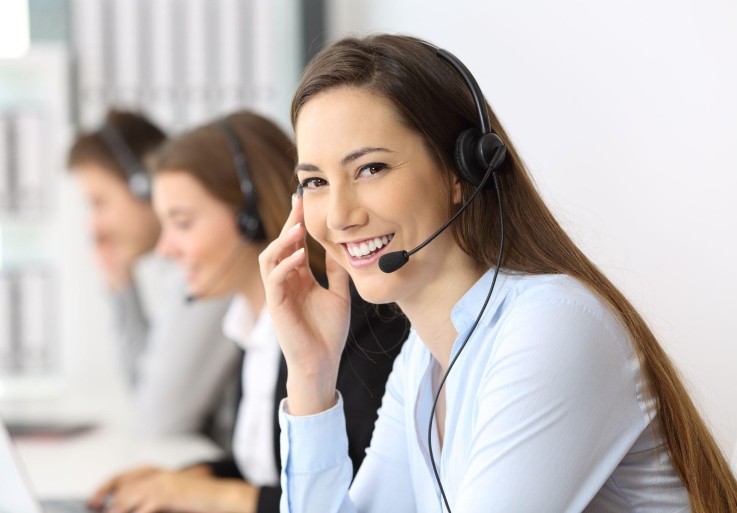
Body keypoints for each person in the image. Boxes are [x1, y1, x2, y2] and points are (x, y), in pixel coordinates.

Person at [258, 35, 737, 512]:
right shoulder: (422, 361)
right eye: (315, 182)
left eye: (370, 168)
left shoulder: (553, 326)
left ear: (461, 170)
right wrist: (311, 376)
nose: (339, 216)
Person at [88, 111, 409, 513]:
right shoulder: (252, 328)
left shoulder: (357, 326)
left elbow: (347, 497)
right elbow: (268, 469)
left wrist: (205, 496)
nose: (165, 249)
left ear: (250, 216)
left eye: (182, 223)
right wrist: (188, 478)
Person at [67, 110, 240, 447]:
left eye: (99, 202)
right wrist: (119, 281)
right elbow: (145, 389)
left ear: (143, 186)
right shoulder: (180, 272)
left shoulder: (210, 267)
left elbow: (158, 416)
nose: (94, 228)